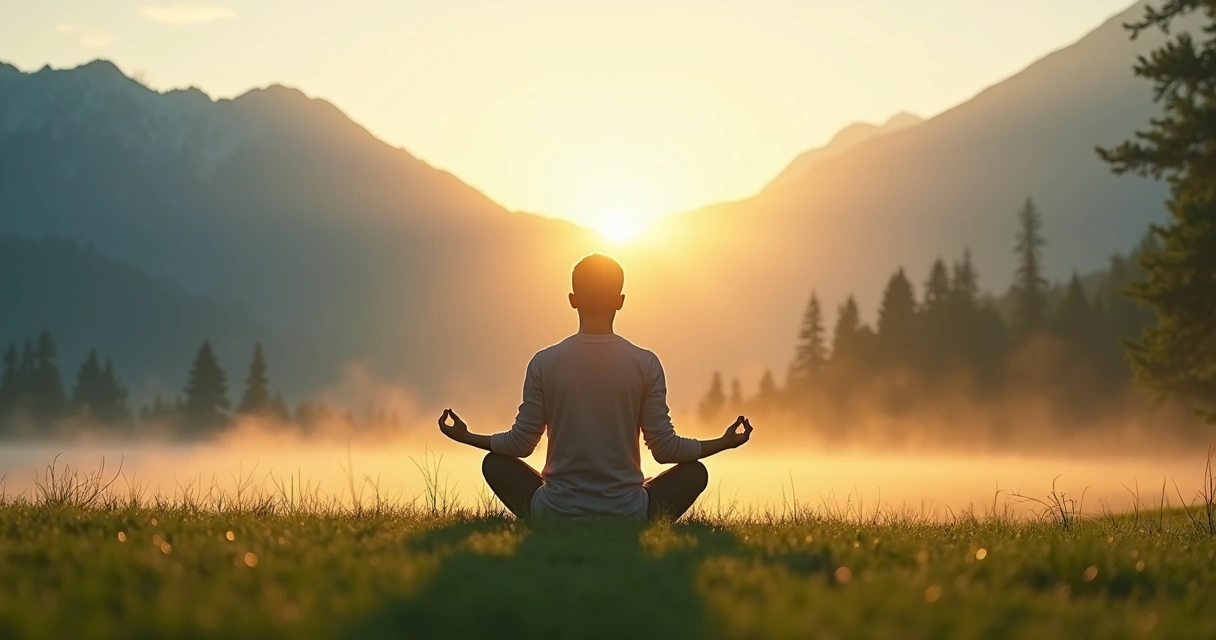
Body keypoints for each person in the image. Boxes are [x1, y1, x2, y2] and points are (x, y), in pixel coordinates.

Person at [437, 253, 753, 520]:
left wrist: (466, 436)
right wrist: (724, 442)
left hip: (554, 511)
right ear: (620, 301)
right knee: (695, 472)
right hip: (628, 514)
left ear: (573, 300)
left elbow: (521, 444)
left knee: (495, 463)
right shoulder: (644, 363)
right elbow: (665, 449)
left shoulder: (544, 362)